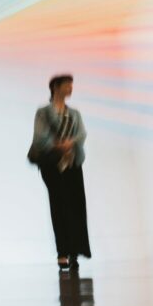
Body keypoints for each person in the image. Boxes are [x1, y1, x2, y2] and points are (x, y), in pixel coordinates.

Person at [30, 74, 91, 270]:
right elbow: (39, 137)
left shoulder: (74, 114)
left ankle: (75, 253)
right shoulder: (43, 113)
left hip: (73, 163)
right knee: (59, 205)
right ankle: (62, 252)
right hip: (52, 165)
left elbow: (82, 133)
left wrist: (70, 143)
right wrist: (57, 145)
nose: (70, 88)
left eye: (72, 85)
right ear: (55, 87)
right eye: (67, 85)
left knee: (76, 207)